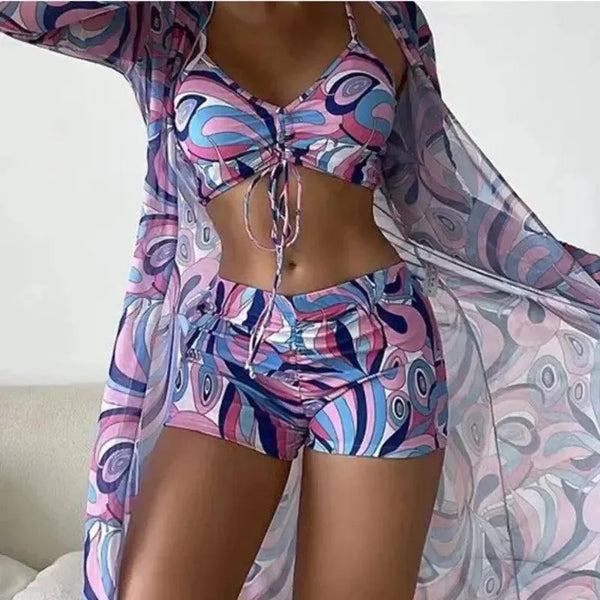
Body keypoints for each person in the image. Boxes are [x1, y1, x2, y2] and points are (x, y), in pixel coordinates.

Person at [3, 3, 600, 600]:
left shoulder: (387, 16)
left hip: (379, 349)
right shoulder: (163, 23)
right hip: (230, 354)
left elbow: (438, 201)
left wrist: (568, 279)